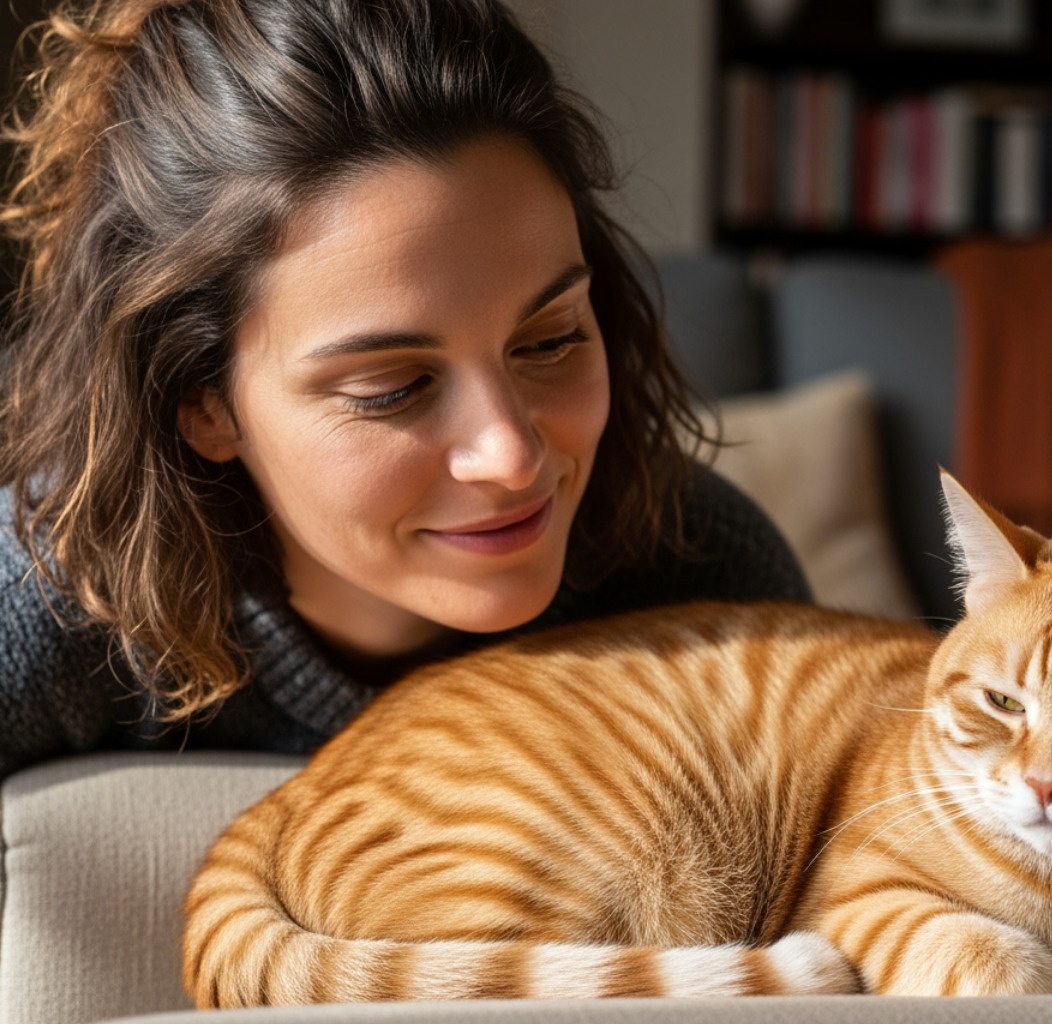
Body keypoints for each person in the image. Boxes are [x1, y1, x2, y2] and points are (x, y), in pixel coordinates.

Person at [0, 0, 810, 779]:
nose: (513, 454)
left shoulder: (706, 577)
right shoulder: (53, 609)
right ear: (201, 405)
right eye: (392, 387)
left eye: (552, 338)